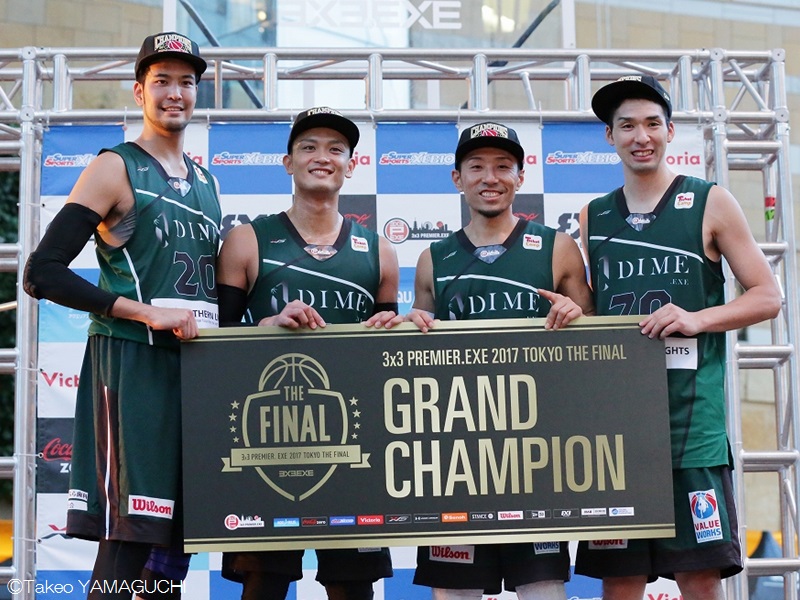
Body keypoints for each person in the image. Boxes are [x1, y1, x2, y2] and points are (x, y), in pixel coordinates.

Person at [23, 32, 220, 599]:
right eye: (162, 81)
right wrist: (145, 312)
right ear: (139, 92)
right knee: (129, 538)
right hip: (131, 366)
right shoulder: (116, 166)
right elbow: (42, 272)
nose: (175, 93)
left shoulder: (208, 182)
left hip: (192, 370)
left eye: (186, 82)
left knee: (171, 549)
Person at [574, 75, 781, 600]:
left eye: (651, 124)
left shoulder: (711, 201)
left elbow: (767, 296)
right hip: (618, 430)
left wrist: (697, 318)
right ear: (610, 136)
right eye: (626, 126)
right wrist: (574, 312)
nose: (640, 136)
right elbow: (600, 314)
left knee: (699, 577)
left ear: (669, 131)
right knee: (620, 581)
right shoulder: (593, 215)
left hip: (692, 426)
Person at [403, 121, 594, 600]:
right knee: (454, 593)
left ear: (520, 177)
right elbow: (417, 350)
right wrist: (410, 325)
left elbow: (601, 347)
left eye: (503, 166)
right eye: (477, 167)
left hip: (537, 456)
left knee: (543, 591)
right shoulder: (433, 259)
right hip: (455, 460)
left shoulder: (557, 247)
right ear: (457, 178)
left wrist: (578, 317)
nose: (490, 177)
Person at [217, 106, 398, 600]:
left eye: (336, 149)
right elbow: (213, 348)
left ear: (351, 166)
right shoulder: (247, 240)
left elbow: (386, 357)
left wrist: (393, 329)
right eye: (309, 147)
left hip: (353, 444)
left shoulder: (379, 251)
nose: (323, 157)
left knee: (352, 588)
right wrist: (264, 326)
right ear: (288, 162)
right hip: (266, 445)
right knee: (263, 585)